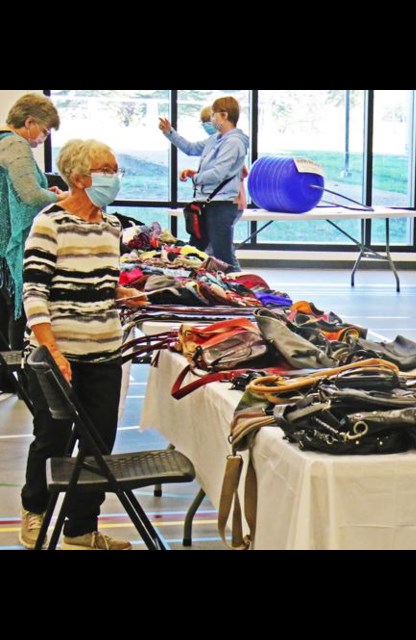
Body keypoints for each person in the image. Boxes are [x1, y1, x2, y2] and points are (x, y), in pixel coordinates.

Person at [18, 138, 146, 550]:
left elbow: (99, 284)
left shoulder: (111, 226)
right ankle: (35, 513)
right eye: (106, 170)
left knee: (99, 443)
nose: (114, 178)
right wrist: (53, 351)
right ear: (78, 177)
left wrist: (123, 294)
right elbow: (34, 292)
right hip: (58, 356)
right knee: (52, 439)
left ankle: (80, 528)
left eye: (115, 170)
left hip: (104, 353)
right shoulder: (49, 223)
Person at [0, 94, 64, 359]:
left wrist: (45, 191)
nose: (43, 138)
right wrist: (61, 198)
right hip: (11, 243)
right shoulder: (15, 144)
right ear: (29, 122)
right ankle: (21, 372)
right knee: (20, 306)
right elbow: (30, 195)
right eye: (45, 132)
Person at [159, 96, 249, 268]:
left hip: (221, 205)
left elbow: (218, 174)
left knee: (223, 255)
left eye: (214, 115)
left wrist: (196, 177)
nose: (212, 119)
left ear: (224, 115)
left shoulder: (234, 142)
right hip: (207, 203)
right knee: (195, 251)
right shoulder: (216, 139)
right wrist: (169, 132)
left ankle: (239, 288)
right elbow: (191, 148)